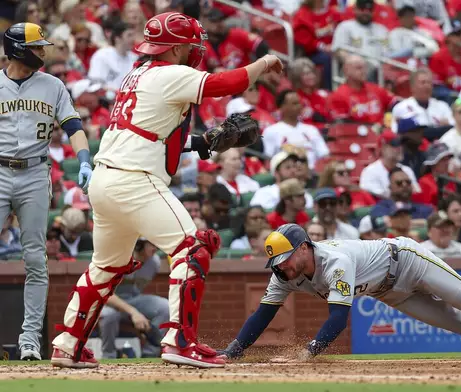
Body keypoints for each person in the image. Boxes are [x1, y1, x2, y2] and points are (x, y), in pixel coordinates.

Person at [50, 11, 284, 369]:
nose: (195, 51)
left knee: (106, 267)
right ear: (174, 48)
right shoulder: (170, 74)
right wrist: (265, 61)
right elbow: (227, 84)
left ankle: (68, 344)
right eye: (189, 46)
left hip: (106, 180)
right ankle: (179, 340)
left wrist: (200, 143)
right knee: (194, 247)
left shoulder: (136, 74)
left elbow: (151, 133)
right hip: (134, 179)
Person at [216, 224, 461, 362]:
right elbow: (263, 314)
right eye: (277, 263)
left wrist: (311, 351)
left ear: (303, 248)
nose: (281, 267)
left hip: (407, 261)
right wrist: (234, 352)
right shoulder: (285, 274)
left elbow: (338, 317)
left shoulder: (334, 262)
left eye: (285, 258)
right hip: (389, 291)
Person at [2, 22, 93, 361]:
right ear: (17, 49)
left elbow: (73, 127)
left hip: (35, 173)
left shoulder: (52, 85)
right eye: (37, 46)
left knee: (36, 260)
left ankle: (29, 339)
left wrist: (84, 158)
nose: (42, 51)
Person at [98, 238, 169, 359]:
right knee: (109, 315)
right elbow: (105, 293)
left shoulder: (154, 262)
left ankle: (150, 353)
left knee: (166, 307)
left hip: (133, 300)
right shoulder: (119, 258)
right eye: (151, 244)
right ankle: (108, 356)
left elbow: (135, 292)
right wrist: (133, 313)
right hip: (107, 303)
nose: (155, 248)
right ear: (138, 245)